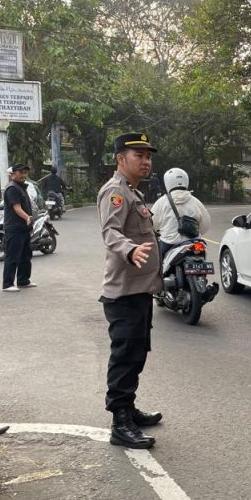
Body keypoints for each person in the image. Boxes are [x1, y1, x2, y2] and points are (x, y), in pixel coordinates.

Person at [97, 132, 163, 450]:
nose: (146, 161)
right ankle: (120, 423)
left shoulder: (133, 193)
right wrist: (130, 250)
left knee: (136, 353)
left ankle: (129, 408)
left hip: (139, 290)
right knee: (125, 356)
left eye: (148, 156)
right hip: (124, 292)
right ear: (120, 159)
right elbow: (110, 231)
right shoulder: (115, 192)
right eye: (139, 155)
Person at [151, 167, 212, 259]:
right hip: (193, 242)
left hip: (170, 243)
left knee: (156, 261)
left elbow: (152, 223)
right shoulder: (195, 201)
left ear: (167, 182)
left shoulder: (162, 201)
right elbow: (206, 223)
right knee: (201, 254)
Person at [2, 163, 36, 292]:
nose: (24, 175)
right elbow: (17, 208)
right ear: (13, 173)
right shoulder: (12, 188)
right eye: (21, 172)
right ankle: (7, 284)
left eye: (25, 173)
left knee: (25, 255)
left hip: (23, 228)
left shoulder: (21, 187)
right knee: (12, 256)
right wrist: (27, 217)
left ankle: (23, 280)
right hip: (14, 228)